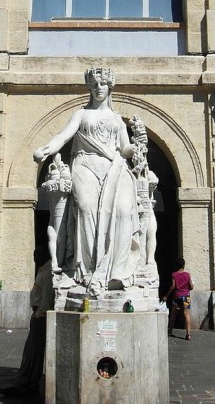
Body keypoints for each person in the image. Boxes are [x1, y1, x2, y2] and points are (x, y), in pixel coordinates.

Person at [33, 68, 139, 294]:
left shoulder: (117, 119)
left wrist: (138, 145)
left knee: (121, 211)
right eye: (94, 84)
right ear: (89, 88)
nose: (99, 88)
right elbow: (63, 136)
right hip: (85, 165)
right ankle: (86, 270)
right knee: (85, 208)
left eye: (103, 84)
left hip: (113, 167)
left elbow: (125, 147)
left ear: (110, 87)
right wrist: (46, 149)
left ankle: (115, 271)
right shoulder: (80, 114)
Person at [0, 246, 54, 397]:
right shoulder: (43, 269)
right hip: (38, 315)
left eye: (37, 255)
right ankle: (27, 383)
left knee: (33, 353)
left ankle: (26, 384)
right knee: (31, 352)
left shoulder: (48, 271)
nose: (34, 258)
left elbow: (48, 296)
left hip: (40, 317)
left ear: (44, 255)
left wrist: (39, 313)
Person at [164, 257, 194, 340]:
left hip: (177, 296)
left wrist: (166, 296)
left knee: (174, 314)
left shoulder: (174, 275)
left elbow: (173, 286)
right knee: (187, 314)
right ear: (184, 265)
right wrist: (191, 286)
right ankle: (188, 335)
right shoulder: (187, 275)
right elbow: (191, 287)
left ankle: (170, 331)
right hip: (186, 297)